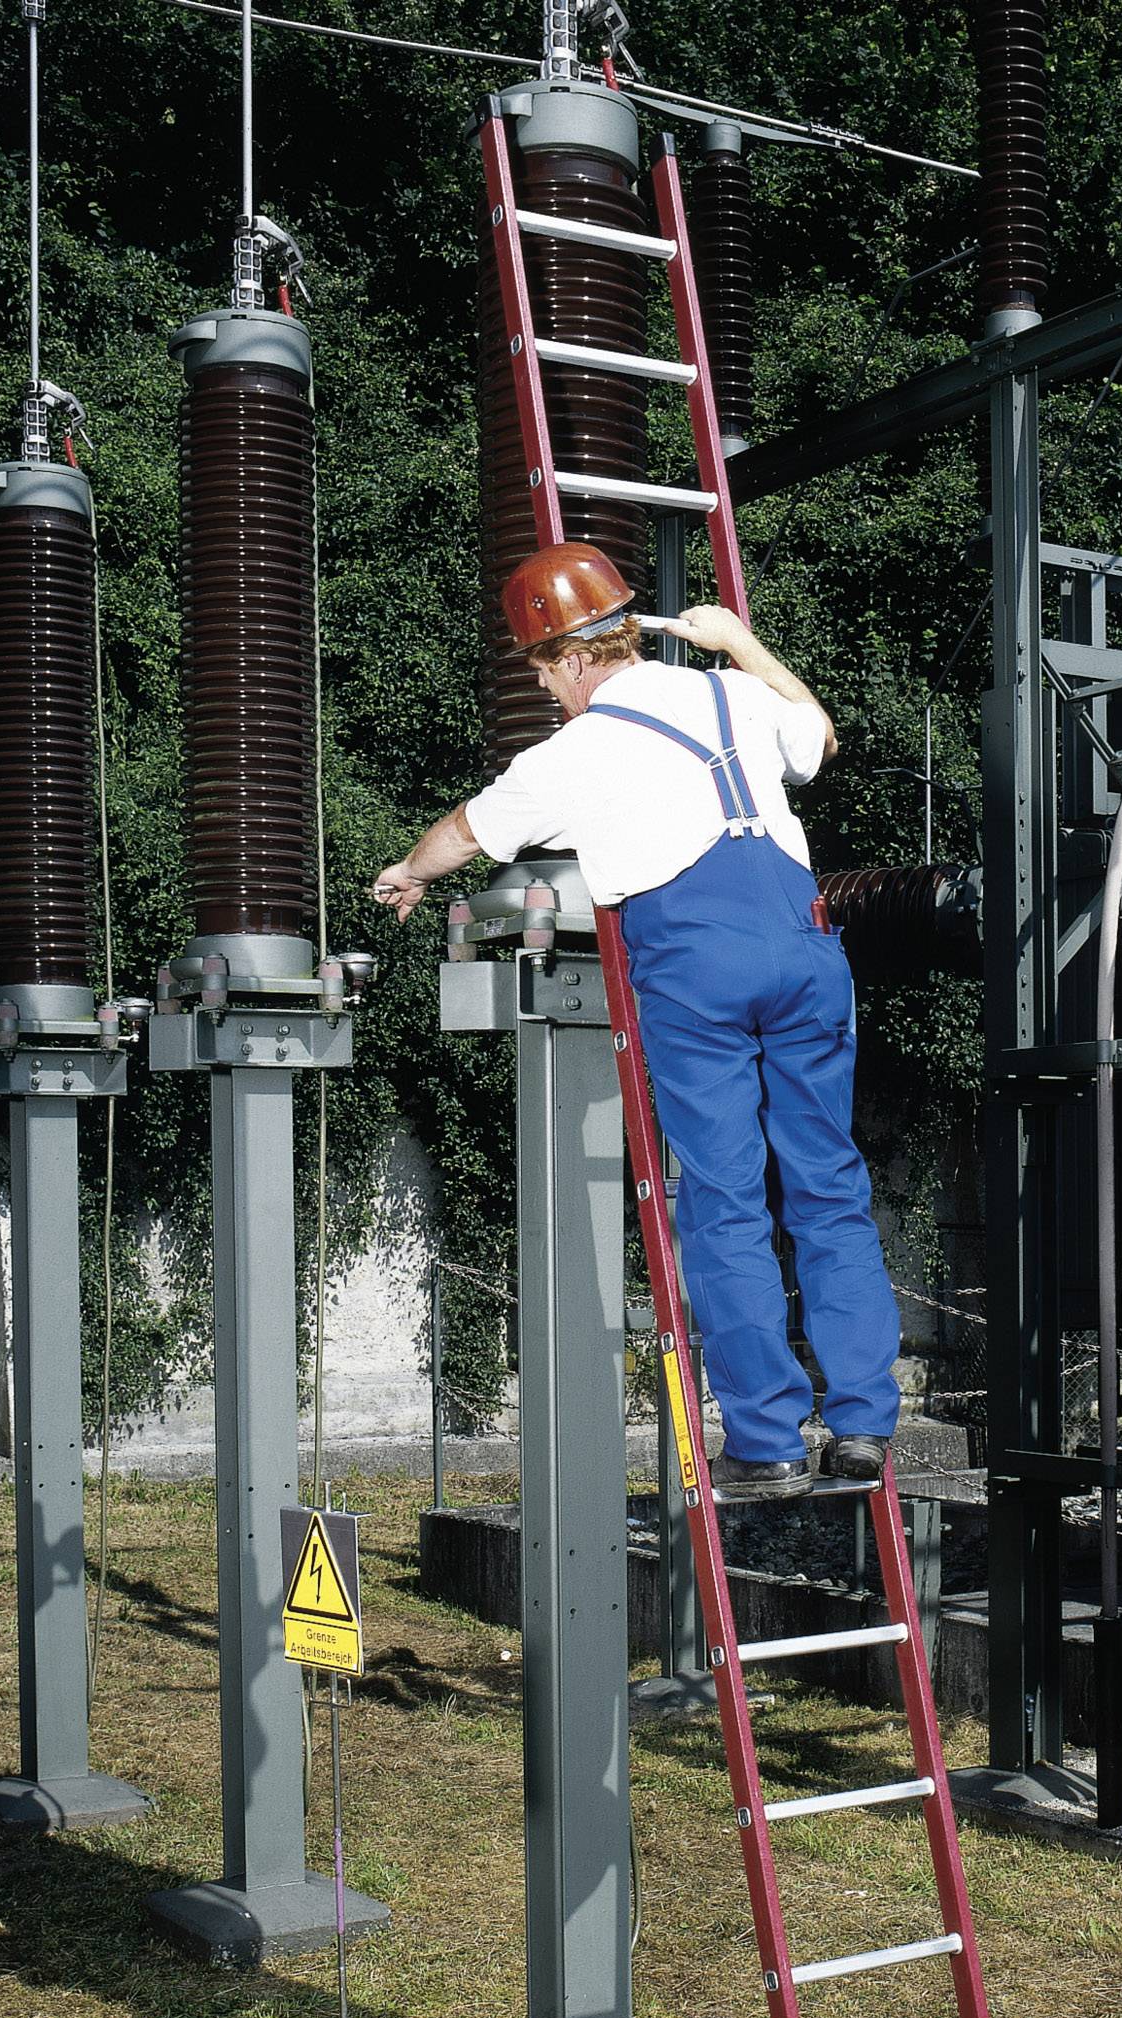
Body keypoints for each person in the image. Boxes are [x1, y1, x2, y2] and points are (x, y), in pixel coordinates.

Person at [373, 541, 901, 1499]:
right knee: (827, 1185)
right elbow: (819, 738)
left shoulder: (572, 753)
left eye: (543, 673)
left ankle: (769, 1441)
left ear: (574, 658)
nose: (548, 693)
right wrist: (742, 643)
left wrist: (408, 872)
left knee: (724, 1198)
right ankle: (863, 1426)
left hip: (697, 967)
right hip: (807, 950)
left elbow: (461, 833)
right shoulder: (732, 695)